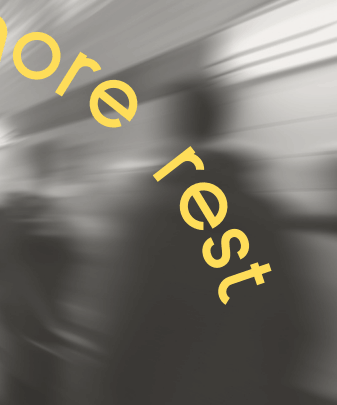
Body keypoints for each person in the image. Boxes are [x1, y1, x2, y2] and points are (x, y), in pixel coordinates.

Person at [92, 80, 307, 405]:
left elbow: (128, 328)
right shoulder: (263, 215)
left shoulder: (152, 215)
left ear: (171, 127)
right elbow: (292, 323)